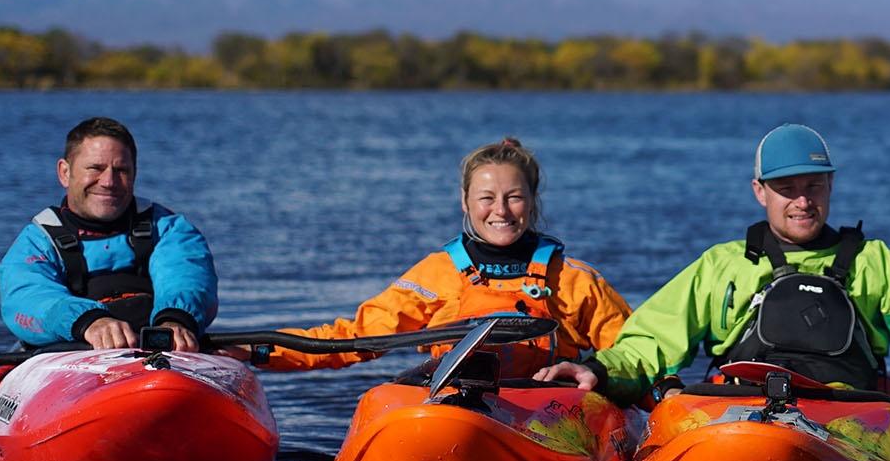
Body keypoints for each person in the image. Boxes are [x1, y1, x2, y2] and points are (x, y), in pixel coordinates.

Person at [536, 124, 890, 417]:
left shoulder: (873, 263)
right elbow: (652, 341)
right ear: (759, 192)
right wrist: (600, 373)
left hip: (842, 416)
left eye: (813, 186)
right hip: (742, 411)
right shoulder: (722, 266)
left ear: (830, 187)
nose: (801, 201)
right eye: (786, 188)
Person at [243, 137, 631, 376]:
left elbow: (635, 352)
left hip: (551, 411)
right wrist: (257, 351)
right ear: (465, 202)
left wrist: (656, 392)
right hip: (461, 410)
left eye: (514, 197)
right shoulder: (436, 275)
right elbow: (354, 339)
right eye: (486, 198)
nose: (501, 210)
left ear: (532, 202)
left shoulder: (575, 280)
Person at [0, 117, 217, 352]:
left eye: (121, 170)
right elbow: (27, 294)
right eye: (95, 168)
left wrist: (175, 320)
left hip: (164, 351)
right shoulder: (37, 242)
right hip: (72, 357)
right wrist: (91, 322)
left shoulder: (168, 229)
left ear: (135, 173)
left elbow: (186, 275)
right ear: (64, 172)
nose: (109, 182)